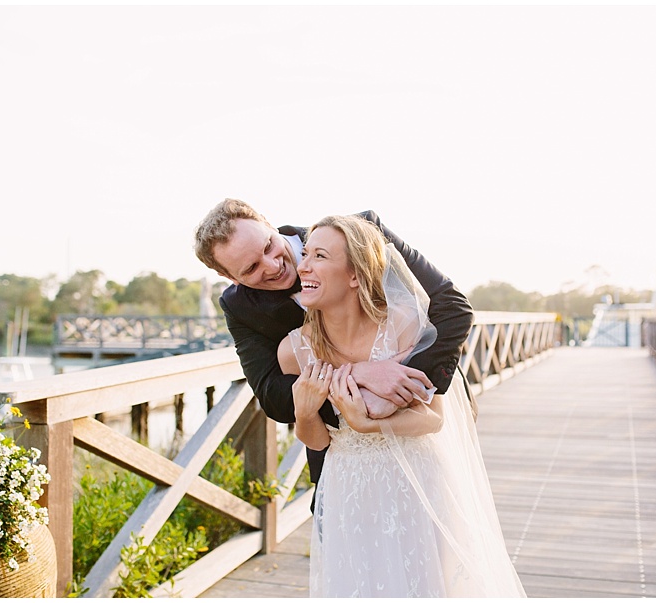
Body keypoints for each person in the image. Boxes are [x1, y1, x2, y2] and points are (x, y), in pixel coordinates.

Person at [278, 215, 525, 597]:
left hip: (415, 477)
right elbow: (316, 441)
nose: (303, 265)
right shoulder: (294, 351)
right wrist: (304, 413)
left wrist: (369, 424)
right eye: (305, 253)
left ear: (355, 275)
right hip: (347, 485)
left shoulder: (403, 324)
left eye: (320, 256)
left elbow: (433, 418)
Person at [193, 199, 475, 488]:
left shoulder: (358, 233)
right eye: (252, 268)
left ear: (267, 222)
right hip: (340, 456)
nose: (274, 265)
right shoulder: (239, 306)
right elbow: (272, 395)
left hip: (426, 427)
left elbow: (453, 309)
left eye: (268, 246)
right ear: (228, 277)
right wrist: (360, 373)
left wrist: (401, 390)